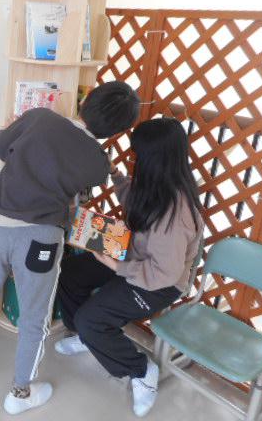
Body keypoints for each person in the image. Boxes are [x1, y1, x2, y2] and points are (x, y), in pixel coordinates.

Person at [0, 81, 140, 415]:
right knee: (34, 318)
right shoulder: (98, 162)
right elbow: (77, 189)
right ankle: (20, 393)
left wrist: (16, 134)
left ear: (86, 101)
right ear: (117, 130)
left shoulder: (39, 118)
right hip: (42, 238)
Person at [55, 117, 204, 417]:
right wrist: (115, 174)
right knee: (70, 273)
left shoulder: (176, 215)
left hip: (160, 283)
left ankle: (140, 371)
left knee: (92, 320)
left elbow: (165, 274)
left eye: (138, 156)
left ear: (154, 160)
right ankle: (87, 336)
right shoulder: (157, 183)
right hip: (132, 255)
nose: (134, 160)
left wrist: (117, 266)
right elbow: (134, 199)